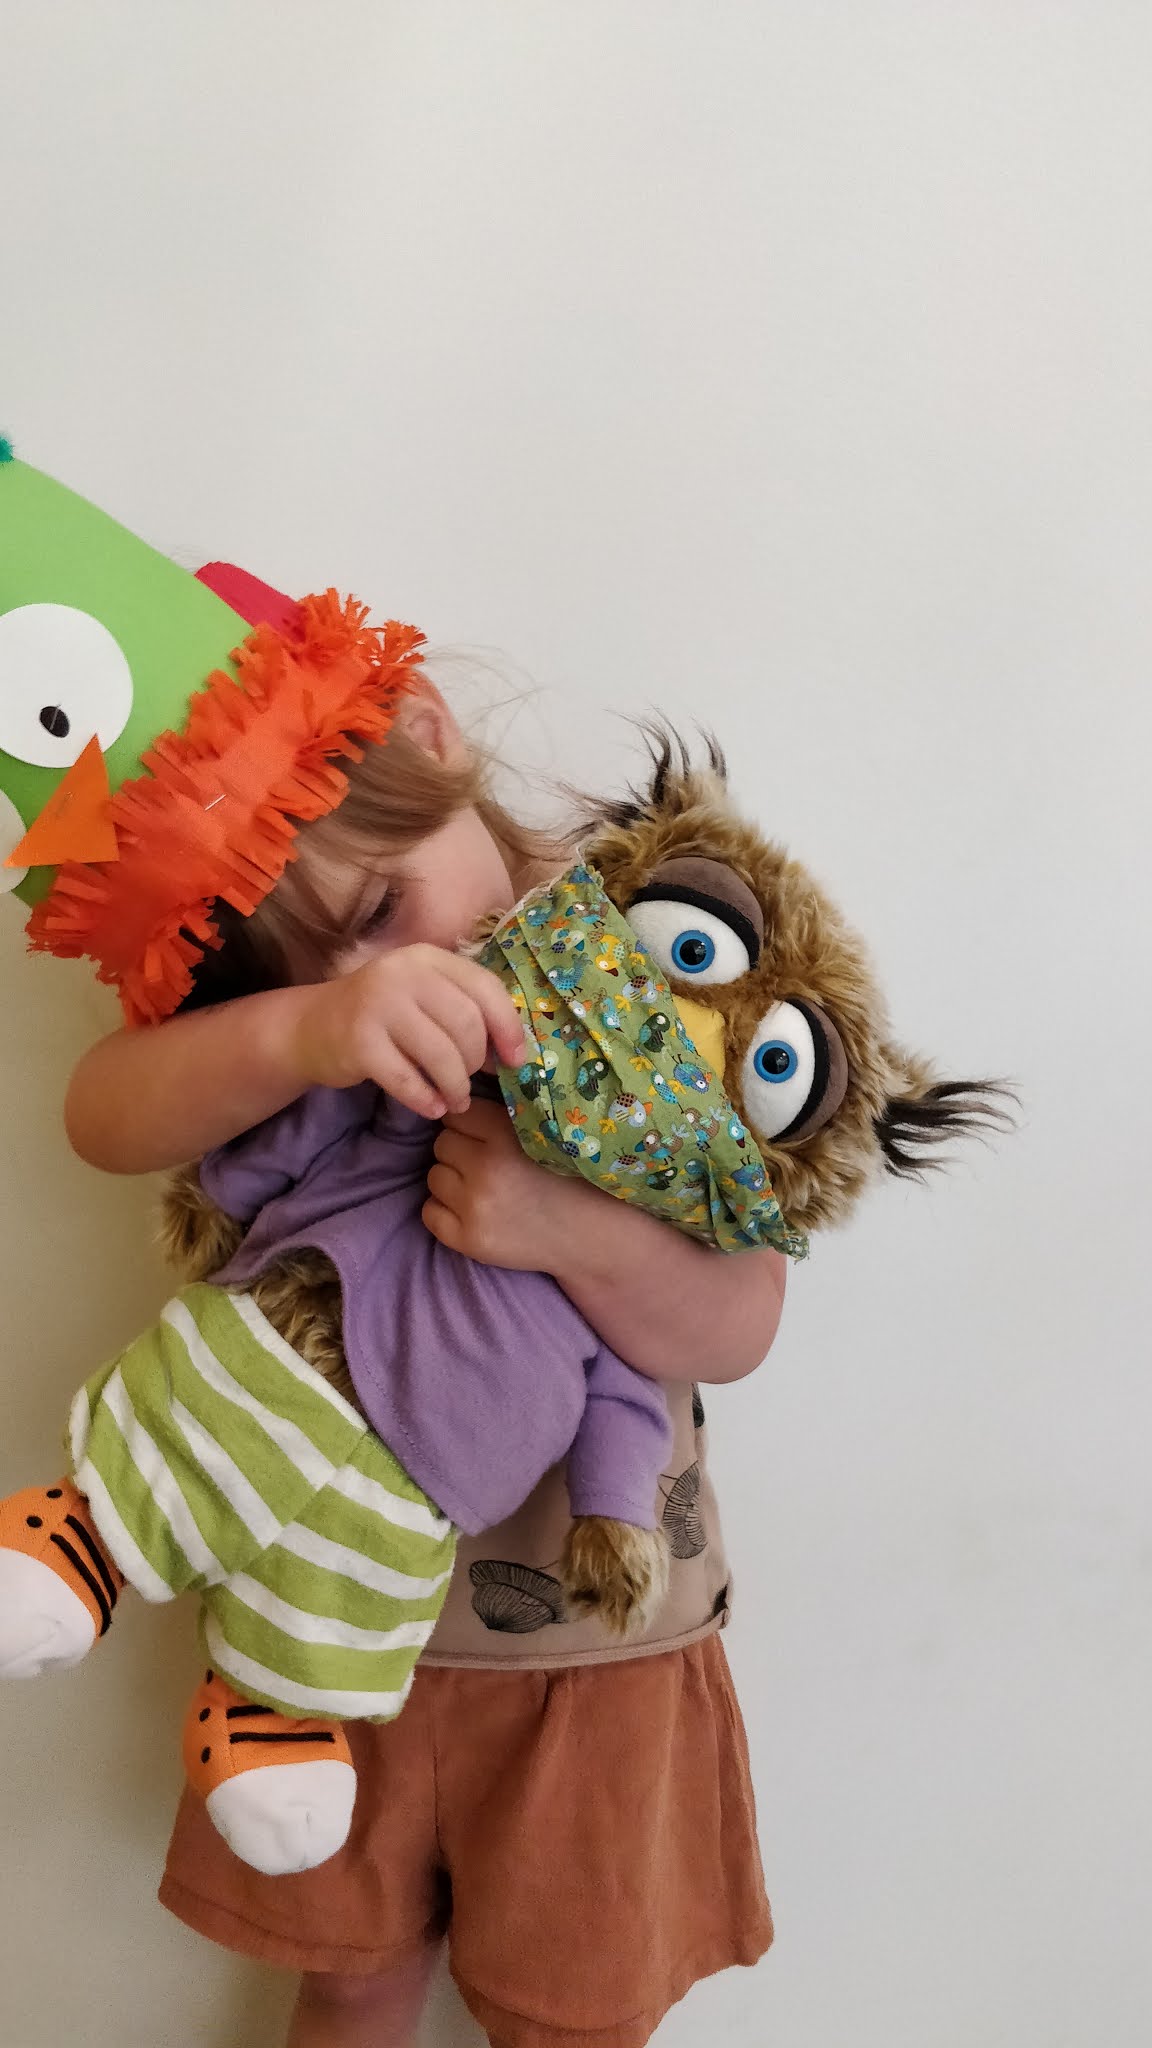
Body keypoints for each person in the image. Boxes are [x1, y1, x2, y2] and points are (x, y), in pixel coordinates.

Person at [64, 674, 786, 2048]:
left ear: (427, 732)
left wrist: (578, 1235)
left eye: (383, 908)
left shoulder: (650, 952)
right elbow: (104, 1116)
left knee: (577, 2014)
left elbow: (746, 1318)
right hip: (324, 1634)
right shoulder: (318, 1024)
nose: (383, 974)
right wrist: (305, 1031)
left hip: (591, 1645)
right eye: (318, 969)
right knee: (347, 1978)